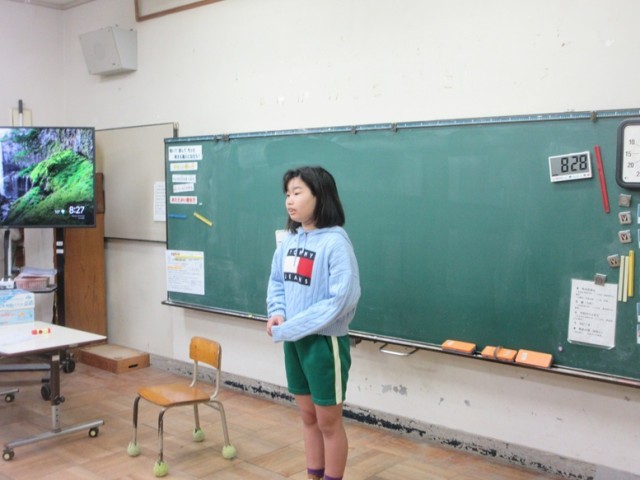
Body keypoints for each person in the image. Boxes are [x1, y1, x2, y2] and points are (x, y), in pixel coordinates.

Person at [266, 166, 361, 480]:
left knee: (328, 423)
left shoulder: (335, 243)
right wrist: (277, 312)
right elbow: (277, 282)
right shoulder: (290, 241)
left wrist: (291, 327)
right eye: (287, 194)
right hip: (294, 341)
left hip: (324, 344)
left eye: (297, 193)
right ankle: (313, 476)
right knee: (308, 417)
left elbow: (340, 300)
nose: (289, 201)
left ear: (320, 196)